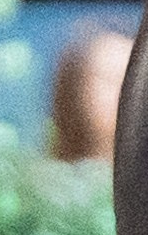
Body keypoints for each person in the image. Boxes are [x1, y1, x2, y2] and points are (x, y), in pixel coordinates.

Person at [47, 24, 135, 161]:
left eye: (131, 80)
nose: (124, 93)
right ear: (78, 91)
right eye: (110, 79)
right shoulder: (48, 172)